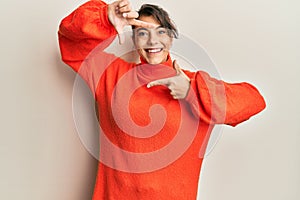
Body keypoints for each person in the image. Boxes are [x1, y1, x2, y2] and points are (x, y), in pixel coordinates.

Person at [58, 0, 266, 199]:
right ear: (134, 40)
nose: (152, 40)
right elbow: (69, 43)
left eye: (160, 32)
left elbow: (254, 100)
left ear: (171, 38)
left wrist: (191, 92)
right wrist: (104, 18)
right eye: (142, 33)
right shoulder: (111, 75)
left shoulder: (193, 84)